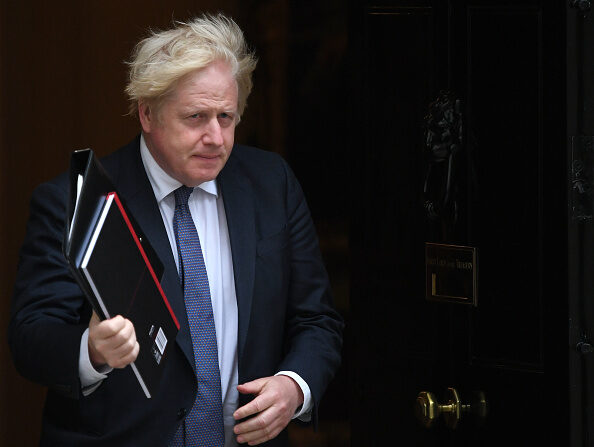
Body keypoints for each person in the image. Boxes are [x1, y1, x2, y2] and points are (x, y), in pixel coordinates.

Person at [8, 14, 343, 447]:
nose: (216, 137)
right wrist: (91, 351)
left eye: (226, 116)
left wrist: (295, 386)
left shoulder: (270, 183)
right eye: (196, 117)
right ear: (147, 114)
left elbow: (317, 319)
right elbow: (30, 337)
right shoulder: (75, 201)